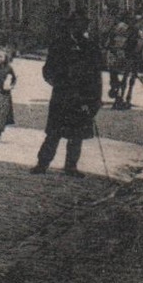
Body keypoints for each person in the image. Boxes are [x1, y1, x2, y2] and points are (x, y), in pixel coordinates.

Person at [32, 12, 105, 176]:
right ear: (70, 26)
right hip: (62, 95)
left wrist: (94, 100)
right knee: (54, 132)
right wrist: (56, 81)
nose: (79, 29)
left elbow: (96, 76)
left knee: (76, 134)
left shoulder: (91, 47)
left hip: (82, 96)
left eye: (82, 26)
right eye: (75, 25)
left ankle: (71, 167)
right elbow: (48, 69)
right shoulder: (59, 45)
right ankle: (42, 163)